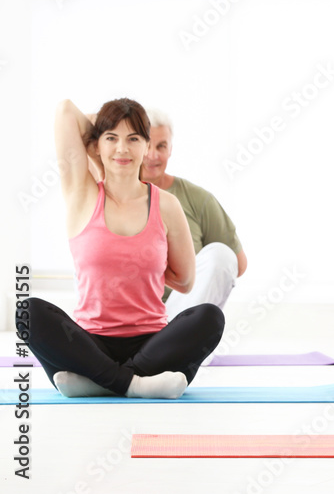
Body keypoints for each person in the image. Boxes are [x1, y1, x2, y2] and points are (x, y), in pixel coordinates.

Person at [24, 99, 224, 399]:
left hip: (151, 344)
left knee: (210, 317)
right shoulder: (82, 194)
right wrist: (108, 122)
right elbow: (66, 111)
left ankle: (98, 381)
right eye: (111, 138)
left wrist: (148, 267)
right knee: (28, 313)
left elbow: (185, 281)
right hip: (89, 344)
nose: (122, 149)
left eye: (133, 139)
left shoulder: (167, 205)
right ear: (95, 146)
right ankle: (135, 384)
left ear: (146, 146)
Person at [140, 108, 246, 319]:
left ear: (171, 149)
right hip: (133, 313)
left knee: (221, 254)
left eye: (161, 146)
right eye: (146, 145)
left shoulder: (198, 199)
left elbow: (236, 263)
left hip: (181, 313)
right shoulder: (110, 195)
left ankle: (177, 339)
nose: (153, 155)